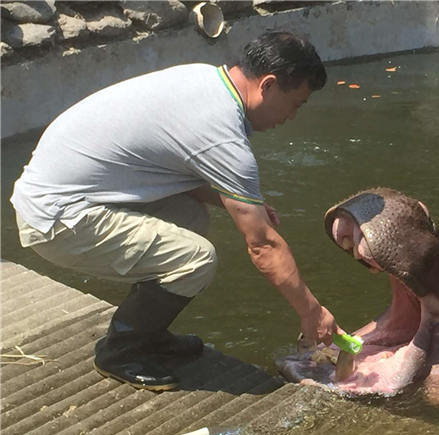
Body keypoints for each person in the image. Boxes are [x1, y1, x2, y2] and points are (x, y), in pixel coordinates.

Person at [10, 31, 340, 391]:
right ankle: (120, 351)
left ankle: (146, 333)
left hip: (59, 194)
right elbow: (263, 246)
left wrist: (228, 199)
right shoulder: (222, 134)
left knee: (190, 219)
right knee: (194, 259)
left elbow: (161, 164)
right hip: (57, 219)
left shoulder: (205, 80)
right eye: (296, 104)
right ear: (269, 85)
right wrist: (312, 313)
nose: (292, 117)